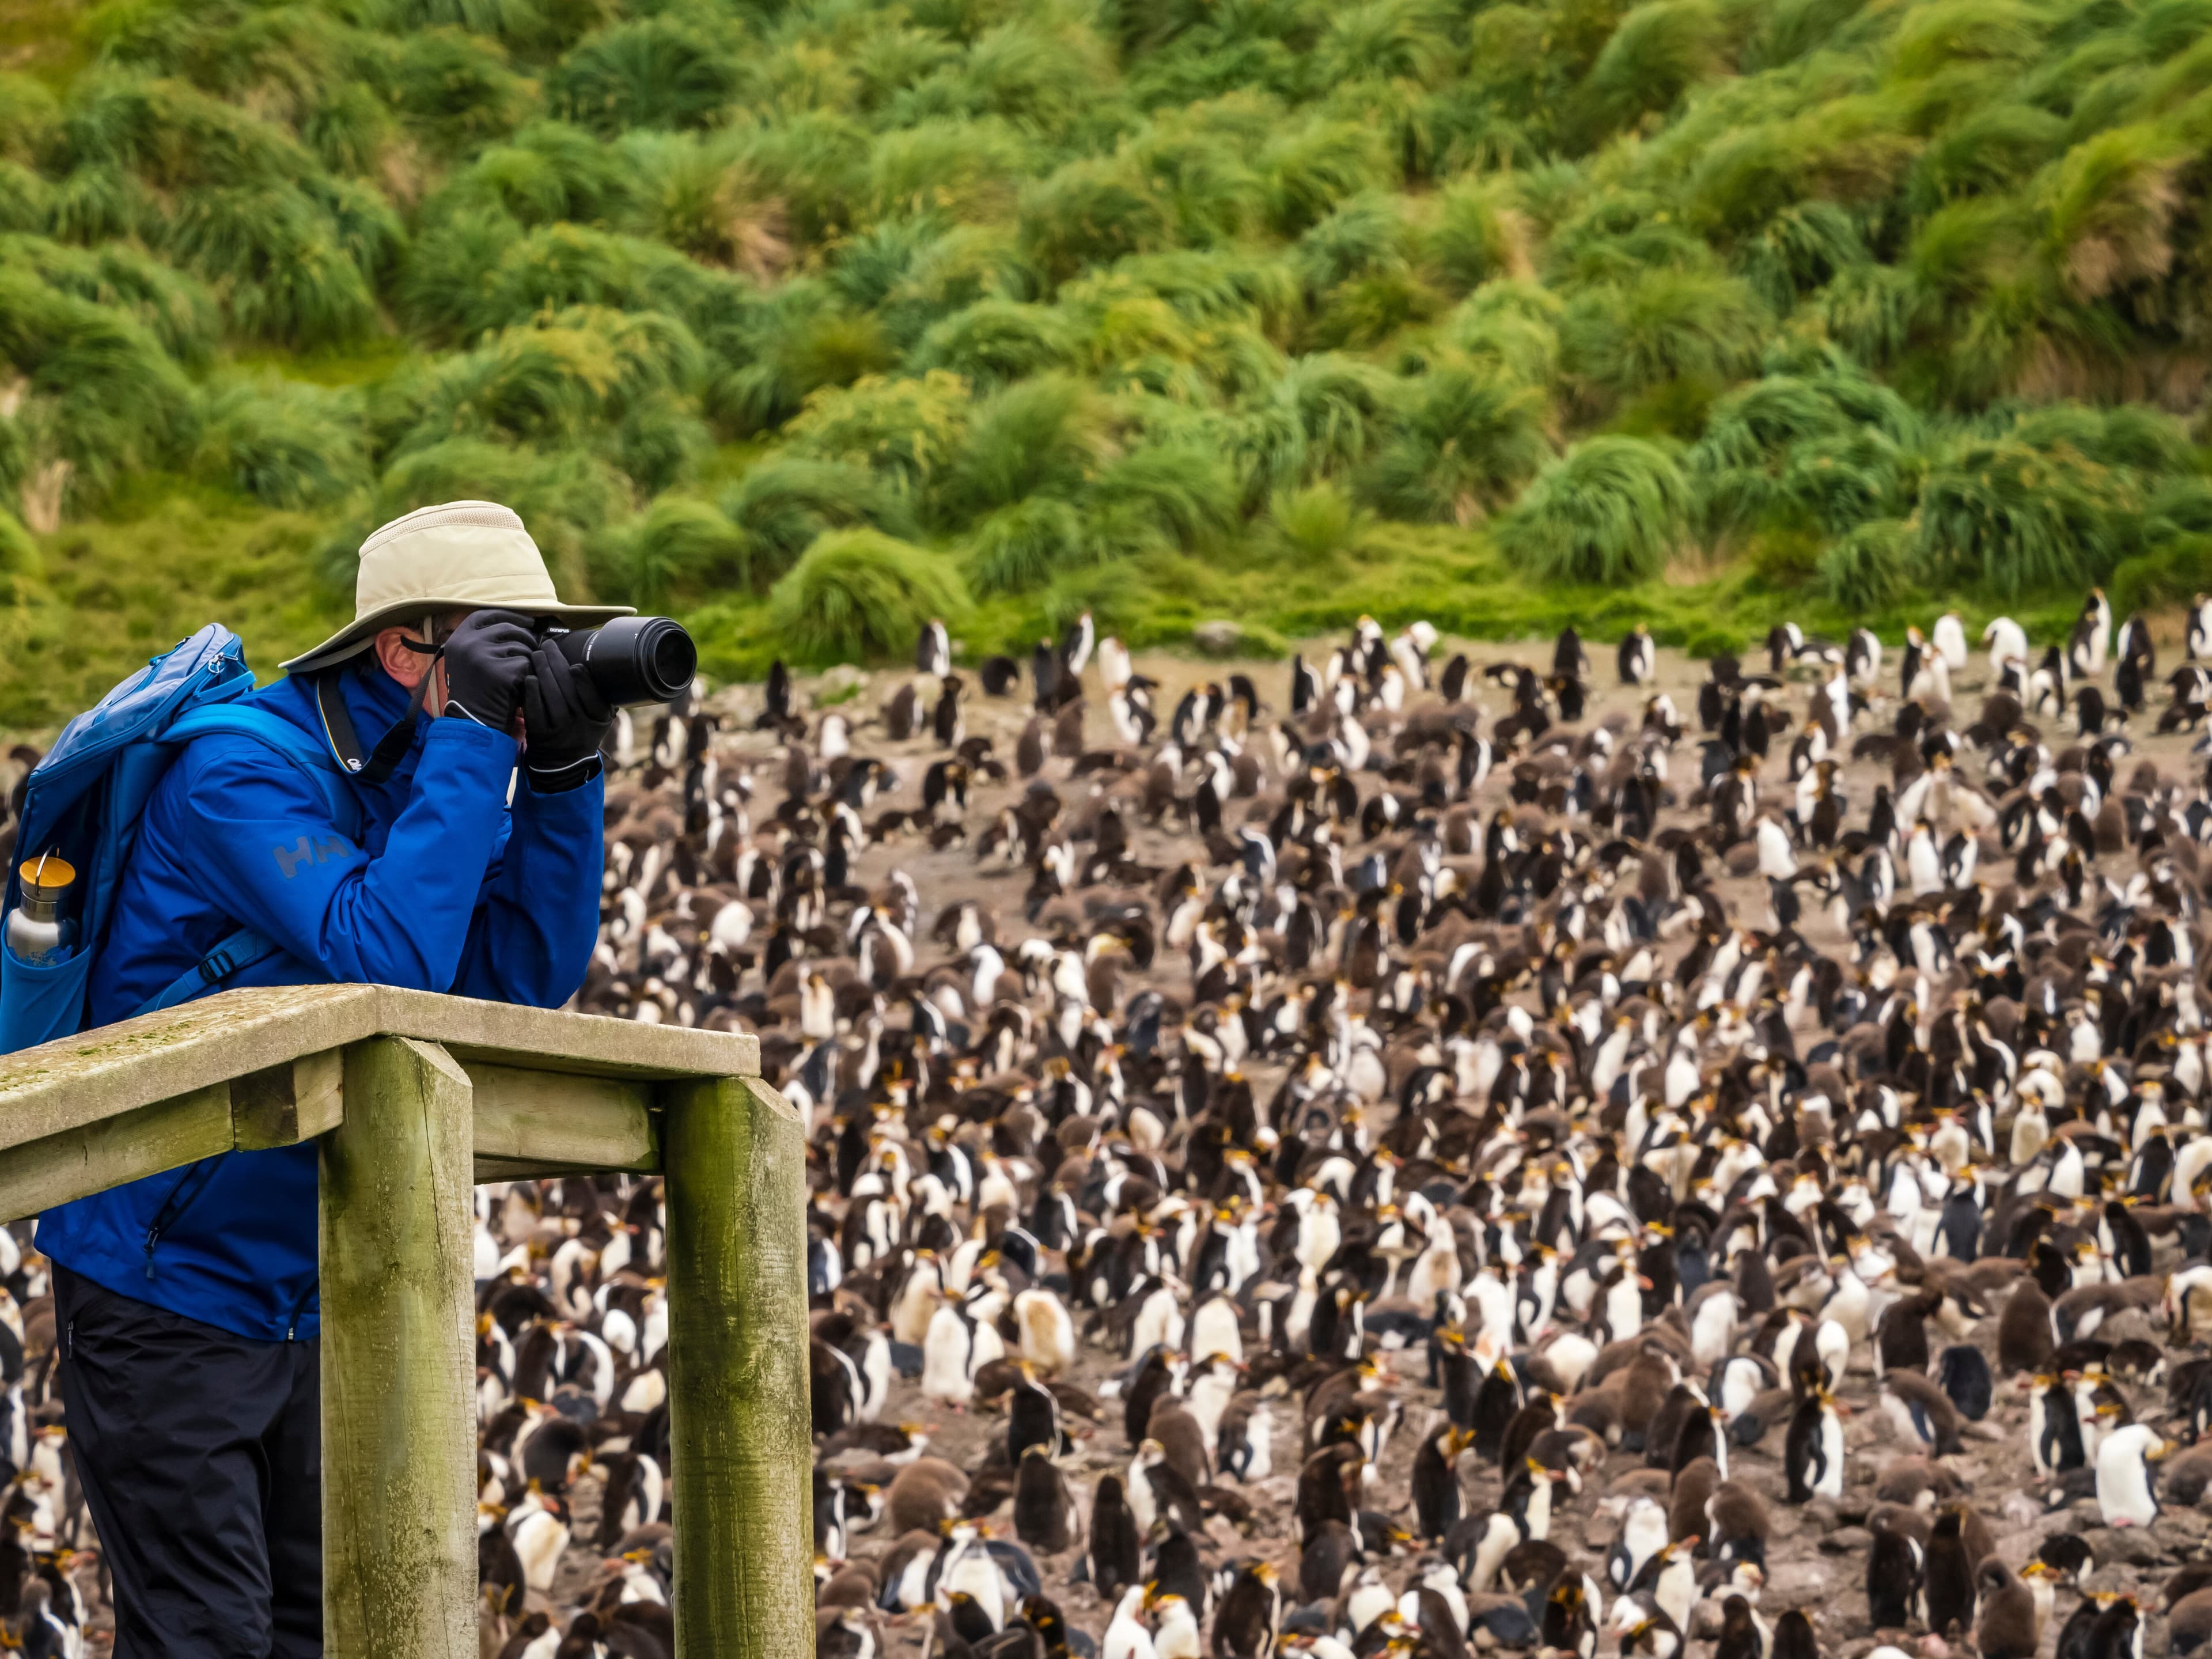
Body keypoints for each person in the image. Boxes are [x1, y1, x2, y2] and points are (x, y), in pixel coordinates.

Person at [37, 500, 622, 1658]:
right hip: (166, 1286)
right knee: (209, 1640)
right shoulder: (237, 774)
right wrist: (470, 743)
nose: (528, 671)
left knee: (323, 1636)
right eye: (504, 643)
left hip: (327, 1285)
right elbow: (385, 958)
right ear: (407, 650)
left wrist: (561, 775)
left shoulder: (421, 772)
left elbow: (516, 977)